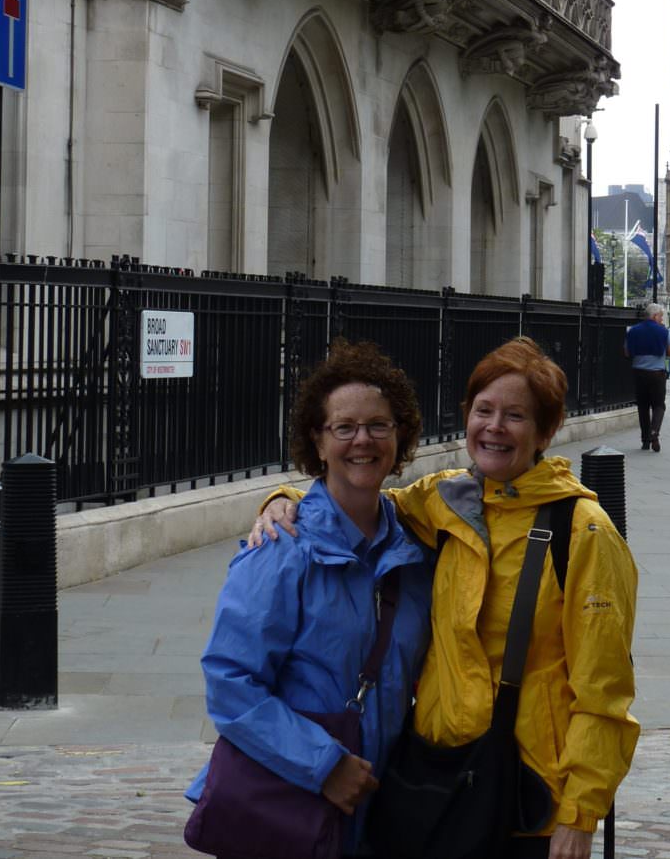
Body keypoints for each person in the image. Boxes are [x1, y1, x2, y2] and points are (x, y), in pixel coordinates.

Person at [252, 337, 639, 859]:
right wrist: (286, 498)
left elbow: (604, 692)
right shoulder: (445, 500)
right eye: (484, 410)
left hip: (531, 796)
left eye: (516, 416)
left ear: (546, 431)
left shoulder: (583, 532)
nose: (494, 427)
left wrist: (580, 816)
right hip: (438, 774)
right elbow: (366, 499)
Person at [186, 341, 434, 857]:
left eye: (378, 425)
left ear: (400, 435)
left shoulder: (415, 551)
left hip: (377, 809)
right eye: (343, 428)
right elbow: (230, 682)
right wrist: (324, 765)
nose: (361, 440)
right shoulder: (280, 548)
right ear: (318, 443)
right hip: (289, 805)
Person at [625, 302, 670, 452]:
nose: (661, 320)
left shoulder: (633, 331)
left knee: (643, 406)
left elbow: (627, 352)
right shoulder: (663, 331)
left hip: (639, 373)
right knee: (659, 405)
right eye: (660, 316)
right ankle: (655, 432)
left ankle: (645, 440)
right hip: (657, 373)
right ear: (654, 316)